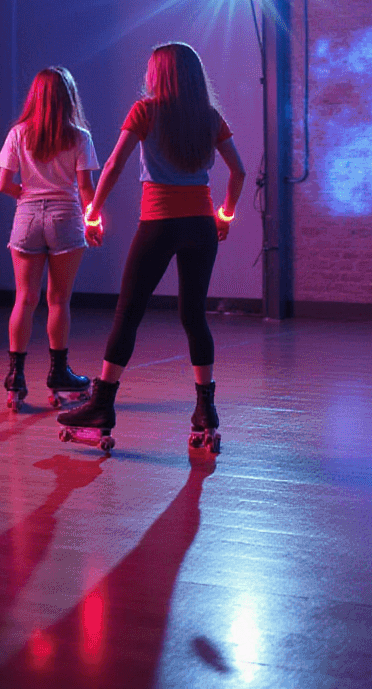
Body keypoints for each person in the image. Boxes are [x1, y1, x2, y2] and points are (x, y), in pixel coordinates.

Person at [59, 43, 244, 453]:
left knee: (128, 313)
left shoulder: (145, 111)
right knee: (194, 316)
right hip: (199, 226)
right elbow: (239, 171)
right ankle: (205, 411)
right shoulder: (209, 118)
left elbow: (113, 165)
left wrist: (92, 211)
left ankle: (102, 406)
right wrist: (225, 215)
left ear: (159, 74)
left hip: (158, 223)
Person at [0, 67, 100, 410]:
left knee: (25, 299)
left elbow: (4, 184)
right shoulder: (79, 136)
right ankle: (58, 375)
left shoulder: (18, 134)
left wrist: (27, 195)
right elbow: (85, 189)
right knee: (59, 300)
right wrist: (93, 221)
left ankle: (16, 378)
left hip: (26, 217)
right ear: (68, 97)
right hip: (65, 217)